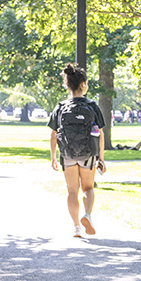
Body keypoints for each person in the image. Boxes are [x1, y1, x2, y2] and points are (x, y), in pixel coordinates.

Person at [49, 64, 106, 238]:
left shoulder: (60, 107)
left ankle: (76, 228)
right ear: (83, 84)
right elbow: (100, 134)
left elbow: (53, 134)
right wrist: (101, 158)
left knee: (72, 191)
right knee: (87, 188)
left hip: (67, 155)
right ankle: (87, 215)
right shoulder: (92, 106)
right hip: (88, 154)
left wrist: (53, 157)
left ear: (68, 85)